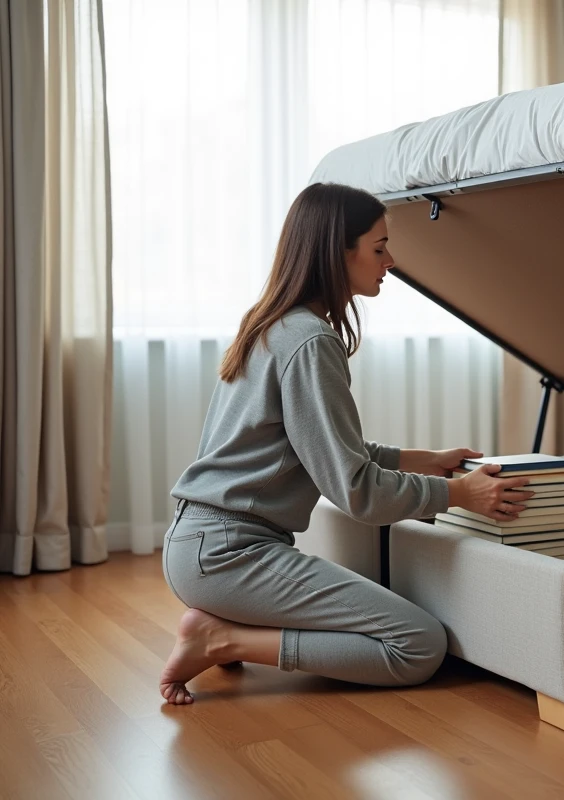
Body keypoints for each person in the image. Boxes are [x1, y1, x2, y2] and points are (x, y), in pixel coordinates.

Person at [159, 182, 533, 705]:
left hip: (202, 547)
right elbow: (358, 493)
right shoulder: (310, 341)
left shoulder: (274, 325)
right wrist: (460, 495)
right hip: (229, 558)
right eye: (379, 248)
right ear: (339, 252)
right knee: (418, 645)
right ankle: (221, 637)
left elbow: (330, 450)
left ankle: (222, 625)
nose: (391, 261)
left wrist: (431, 461)